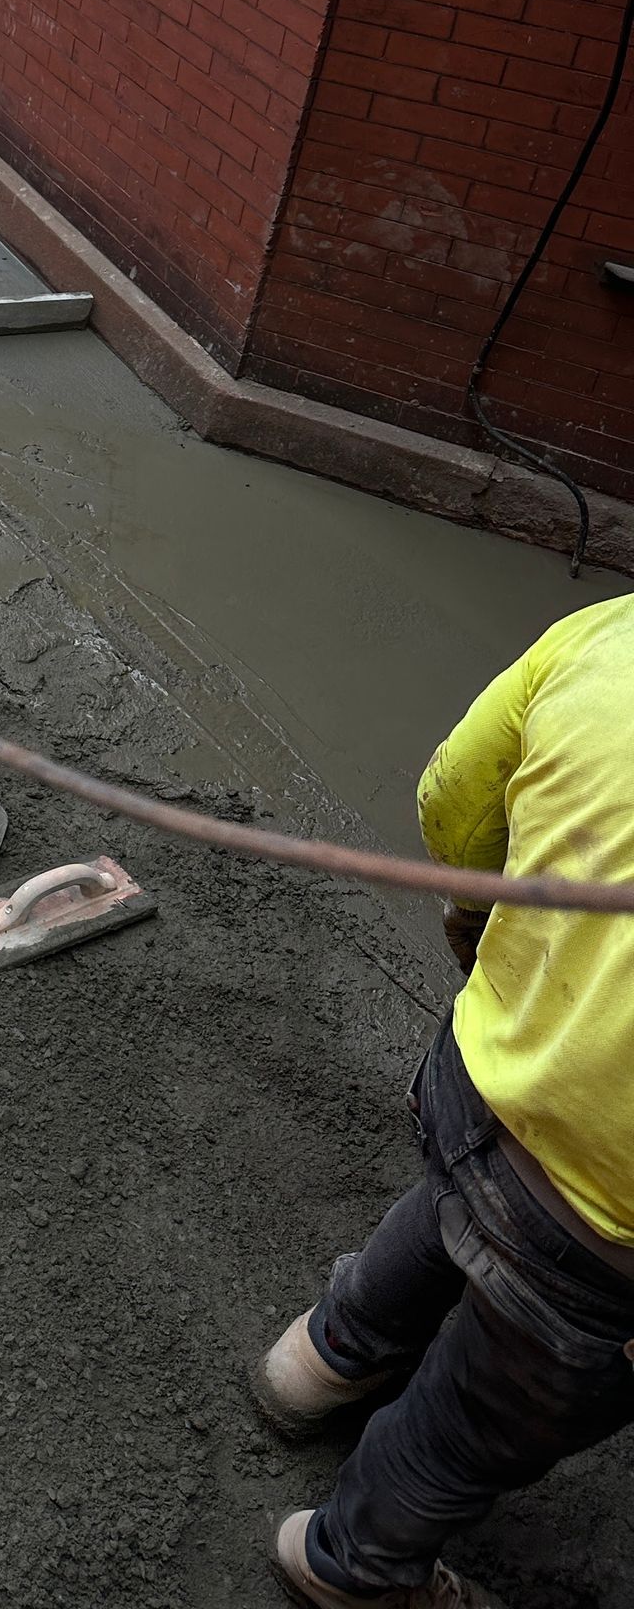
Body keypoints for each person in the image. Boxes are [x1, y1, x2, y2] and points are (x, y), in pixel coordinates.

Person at [253, 594, 634, 1609]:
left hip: (476, 1077)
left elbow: (455, 798)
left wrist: (477, 909)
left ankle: (321, 1358)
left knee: (454, 1200)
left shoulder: (609, 635)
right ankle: (351, 1565)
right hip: (599, 1237)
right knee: (480, 1411)